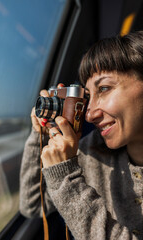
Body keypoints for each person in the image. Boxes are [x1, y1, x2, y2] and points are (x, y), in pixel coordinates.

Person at [19, 31, 143, 239]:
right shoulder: (92, 151)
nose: (89, 114)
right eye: (87, 96)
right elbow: (32, 204)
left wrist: (66, 180)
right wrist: (41, 134)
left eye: (104, 88)